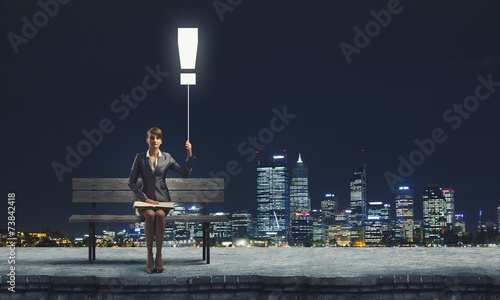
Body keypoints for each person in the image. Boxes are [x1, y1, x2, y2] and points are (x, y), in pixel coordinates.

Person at [128, 127, 195, 273]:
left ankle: (159, 256)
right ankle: (149, 256)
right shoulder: (139, 157)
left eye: (157, 138)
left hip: (163, 201)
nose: (154, 140)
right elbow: (131, 182)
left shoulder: (167, 157)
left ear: (161, 141)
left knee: (159, 214)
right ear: (147, 140)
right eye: (152, 138)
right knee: (150, 215)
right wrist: (145, 199)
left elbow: (184, 174)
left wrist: (189, 154)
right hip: (145, 202)